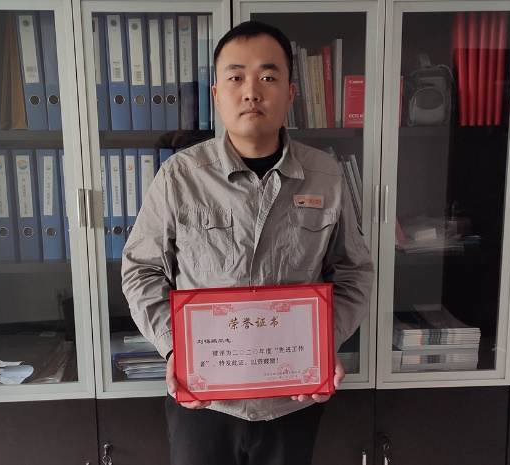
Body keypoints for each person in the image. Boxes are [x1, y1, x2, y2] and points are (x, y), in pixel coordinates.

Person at [121, 20, 374, 465]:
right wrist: (175, 348)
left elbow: (354, 272)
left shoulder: (325, 176)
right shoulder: (180, 177)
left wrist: (324, 340)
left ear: (291, 94)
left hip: (291, 399)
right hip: (204, 401)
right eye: (236, 77)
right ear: (217, 94)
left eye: (268, 77)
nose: (251, 91)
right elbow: (141, 269)